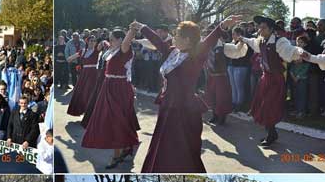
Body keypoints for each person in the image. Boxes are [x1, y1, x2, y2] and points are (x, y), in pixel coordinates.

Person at [133, 15, 242, 172]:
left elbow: (209, 41)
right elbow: (157, 41)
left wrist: (222, 25)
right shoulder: (171, 52)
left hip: (185, 109)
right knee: (164, 145)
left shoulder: (196, 55)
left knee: (181, 149)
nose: (174, 37)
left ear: (188, 40)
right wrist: (141, 26)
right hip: (167, 107)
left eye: (177, 35)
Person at [227, 15, 305, 146]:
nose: (260, 30)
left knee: (269, 106)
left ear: (271, 29)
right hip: (265, 78)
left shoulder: (280, 41)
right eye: (259, 27)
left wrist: (299, 53)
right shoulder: (261, 41)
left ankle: (271, 134)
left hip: (276, 80)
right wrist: (242, 39)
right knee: (261, 107)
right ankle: (272, 133)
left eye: (263, 28)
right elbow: (252, 42)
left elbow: (289, 50)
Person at [81, 27, 139, 169]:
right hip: (108, 86)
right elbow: (107, 46)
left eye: (113, 39)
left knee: (116, 119)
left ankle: (117, 153)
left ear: (120, 40)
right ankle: (124, 148)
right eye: (110, 39)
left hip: (119, 88)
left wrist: (132, 30)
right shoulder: (113, 50)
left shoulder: (125, 50)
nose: (110, 41)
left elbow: (126, 41)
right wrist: (102, 44)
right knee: (109, 119)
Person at [67, 36, 101, 116]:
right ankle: (84, 110)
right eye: (91, 41)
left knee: (91, 92)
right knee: (82, 92)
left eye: (94, 41)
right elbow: (69, 59)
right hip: (84, 74)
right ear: (87, 42)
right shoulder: (83, 51)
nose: (92, 42)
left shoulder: (97, 50)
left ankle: (92, 112)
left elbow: (104, 44)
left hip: (94, 74)